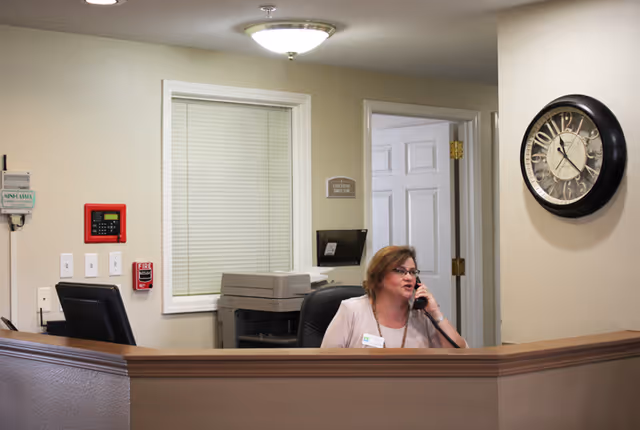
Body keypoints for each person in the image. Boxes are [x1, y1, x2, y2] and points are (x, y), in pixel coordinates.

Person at [321, 245, 467, 349]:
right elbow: (328, 364)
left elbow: (460, 355)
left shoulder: (423, 316)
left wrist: (436, 314)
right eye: (401, 271)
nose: (409, 277)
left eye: (413, 272)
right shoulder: (352, 310)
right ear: (379, 276)